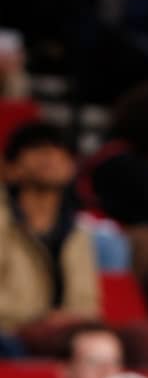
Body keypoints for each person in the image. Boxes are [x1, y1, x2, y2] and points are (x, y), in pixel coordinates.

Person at [0, 118, 101, 342]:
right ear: (9, 169)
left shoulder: (77, 232)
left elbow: (87, 305)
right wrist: (40, 321)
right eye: (37, 148)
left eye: (60, 149)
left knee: (140, 338)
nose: (51, 156)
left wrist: (67, 321)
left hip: (63, 337)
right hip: (10, 334)